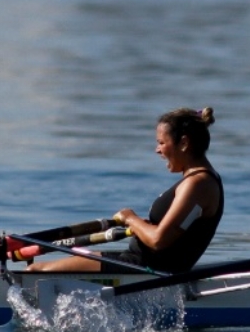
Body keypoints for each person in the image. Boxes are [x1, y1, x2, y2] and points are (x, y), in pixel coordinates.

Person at [27, 107, 222, 274]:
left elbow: (158, 240)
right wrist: (143, 226)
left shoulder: (198, 184)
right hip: (137, 262)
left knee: (36, 270)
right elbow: (174, 233)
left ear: (184, 143)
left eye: (161, 143)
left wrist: (130, 218)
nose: (157, 150)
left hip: (146, 269)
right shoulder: (201, 181)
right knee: (51, 265)